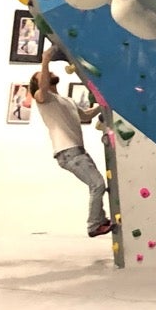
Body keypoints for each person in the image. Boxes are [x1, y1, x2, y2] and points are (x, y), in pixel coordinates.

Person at [30, 41, 110, 238]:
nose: (47, 75)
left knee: (97, 184)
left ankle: (101, 219)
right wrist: (45, 61)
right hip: (68, 153)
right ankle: (94, 225)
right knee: (97, 184)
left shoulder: (66, 101)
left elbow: (86, 116)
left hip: (77, 152)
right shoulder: (44, 99)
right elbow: (40, 89)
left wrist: (104, 103)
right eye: (42, 76)